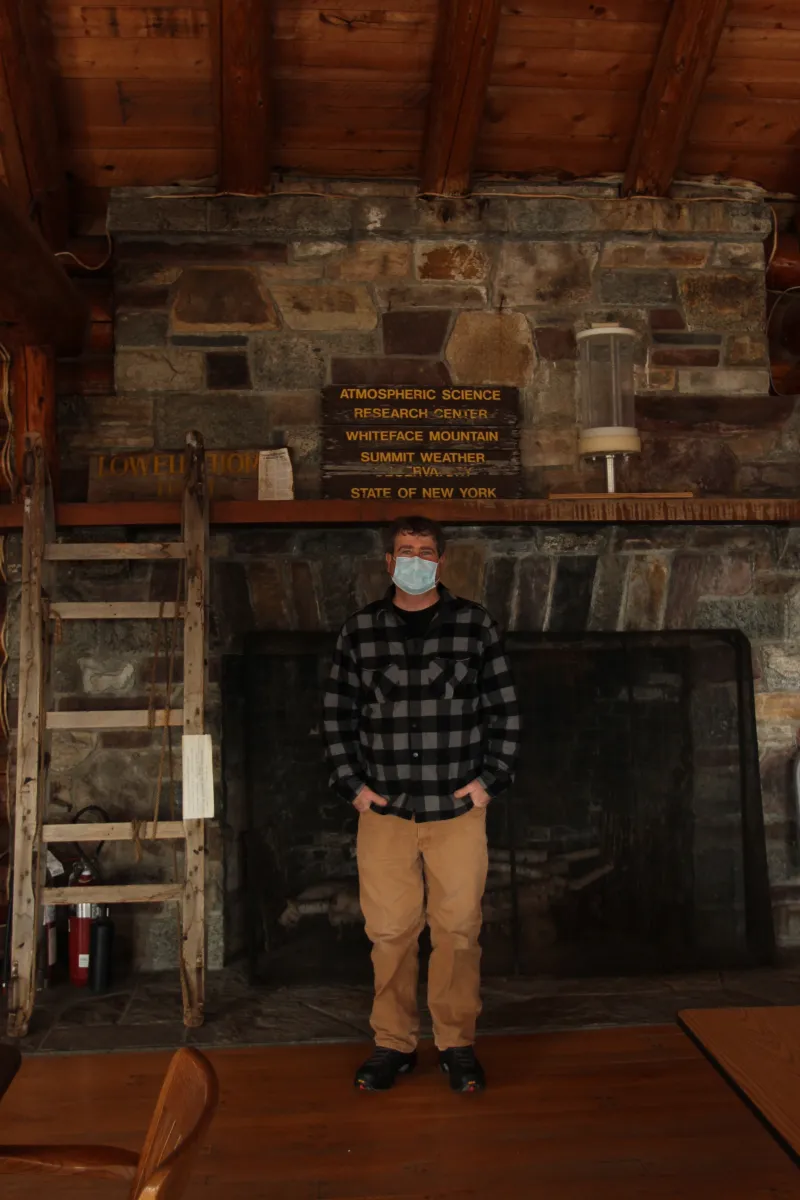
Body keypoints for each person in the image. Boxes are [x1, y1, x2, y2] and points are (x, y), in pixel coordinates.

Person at [323, 515, 520, 1093]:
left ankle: (457, 1045)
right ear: (389, 562)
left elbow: (504, 712)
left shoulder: (474, 626)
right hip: (383, 813)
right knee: (390, 933)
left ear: (440, 561)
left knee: (458, 931)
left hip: (458, 811)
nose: (414, 558)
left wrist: (489, 782)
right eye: (404, 550)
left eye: (425, 550)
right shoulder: (359, 632)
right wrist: (353, 787)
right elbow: (337, 717)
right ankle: (394, 1044)